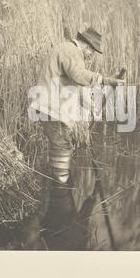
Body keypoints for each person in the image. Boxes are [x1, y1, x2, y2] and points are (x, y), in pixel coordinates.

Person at [31, 27, 124, 224]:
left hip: (53, 110)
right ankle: (61, 189)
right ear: (86, 45)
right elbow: (80, 75)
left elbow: (80, 90)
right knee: (62, 145)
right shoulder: (69, 50)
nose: (91, 56)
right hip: (51, 109)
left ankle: (59, 186)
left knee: (61, 146)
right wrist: (106, 80)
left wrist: (95, 106)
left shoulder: (73, 56)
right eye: (92, 51)